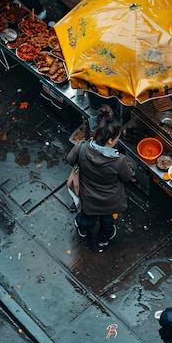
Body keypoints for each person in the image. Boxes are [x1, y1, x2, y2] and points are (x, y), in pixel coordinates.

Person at [70, 105, 134, 251]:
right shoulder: (118, 161)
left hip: (88, 197)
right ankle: (103, 240)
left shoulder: (81, 148)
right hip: (109, 202)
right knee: (107, 221)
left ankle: (83, 229)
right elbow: (127, 176)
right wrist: (129, 165)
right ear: (111, 141)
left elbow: (71, 160)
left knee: (87, 217)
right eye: (118, 137)